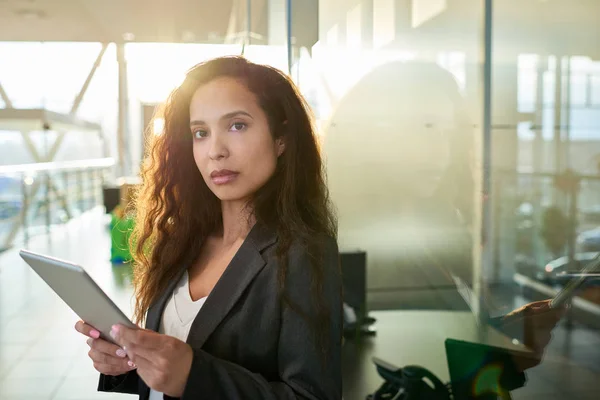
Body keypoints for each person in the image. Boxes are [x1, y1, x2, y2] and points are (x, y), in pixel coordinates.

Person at [75, 56, 342, 400]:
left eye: (237, 126)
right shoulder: (184, 240)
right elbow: (170, 368)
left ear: (281, 138)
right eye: (200, 133)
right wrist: (127, 361)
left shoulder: (303, 253)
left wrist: (194, 375)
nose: (215, 151)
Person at [322, 60, 565, 389]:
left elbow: (435, 340)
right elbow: (388, 366)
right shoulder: (353, 248)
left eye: (449, 134)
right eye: (425, 129)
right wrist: (505, 351)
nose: (441, 151)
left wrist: (506, 332)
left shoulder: (428, 237)